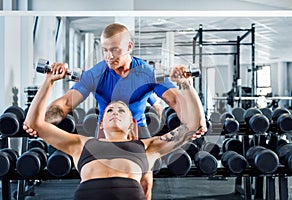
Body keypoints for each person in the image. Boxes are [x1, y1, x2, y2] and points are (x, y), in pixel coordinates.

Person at [26, 23, 207, 199]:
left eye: (114, 49)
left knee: (146, 180)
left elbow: (178, 105)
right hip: (106, 126)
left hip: (138, 124)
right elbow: (64, 104)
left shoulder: (148, 73)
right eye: (105, 50)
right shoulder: (95, 74)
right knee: (95, 172)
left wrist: (186, 88)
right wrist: (42, 123)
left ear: (129, 46)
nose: (109, 56)